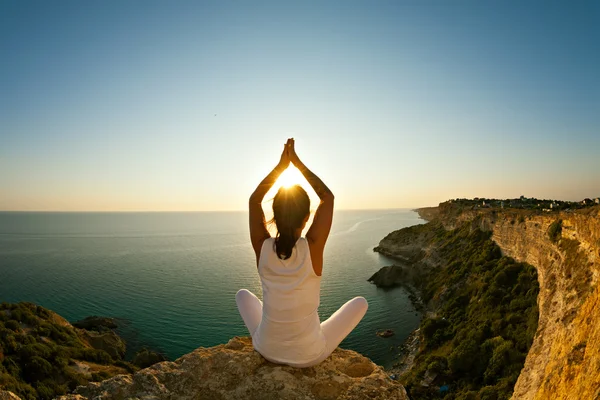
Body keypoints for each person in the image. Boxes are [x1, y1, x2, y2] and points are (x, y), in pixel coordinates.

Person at [236, 138, 368, 368]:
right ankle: (308, 333)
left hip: (265, 348)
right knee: (360, 303)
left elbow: (254, 199)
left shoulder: (262, 246)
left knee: (242, 295)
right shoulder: (313, 247)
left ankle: (288, 335)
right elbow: (328, 197)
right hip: (309, 356)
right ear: (307, 218)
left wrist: (281, 167)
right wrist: (296, 163)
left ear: (274, 216)